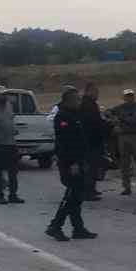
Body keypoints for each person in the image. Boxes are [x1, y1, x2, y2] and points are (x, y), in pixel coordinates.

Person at [46, 88, 96, 241]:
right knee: (71, 196)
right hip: (69, 162)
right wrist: (73, 163)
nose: (79, 102)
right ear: (68, 100)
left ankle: (78, 228)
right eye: (76, 100)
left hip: (79, 160)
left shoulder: (74, 115)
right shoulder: (62, 117)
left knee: (77, 196)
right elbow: (66, 143)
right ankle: (55, 226)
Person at [110, 88, 136, 195]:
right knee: (124, 164)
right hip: (123, 137)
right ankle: (126, 187)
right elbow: (108, 112)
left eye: (131, 96)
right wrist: (114, 121)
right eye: (127, 96)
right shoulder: (119, 107)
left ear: (133, 97)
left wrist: (120, 119)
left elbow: (135, 120)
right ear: (124, 97)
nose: (129, 98)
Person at [80, 81, 109, 199]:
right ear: (89, 91)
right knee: (91, 167)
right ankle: (88, 192)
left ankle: (91, 189)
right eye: (95, 92)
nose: (97, 94)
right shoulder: (87, 104)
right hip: (90, 141)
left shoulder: (90, 103)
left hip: (92, 140)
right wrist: (106, 125)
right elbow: (93, 122)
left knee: (94, 166)